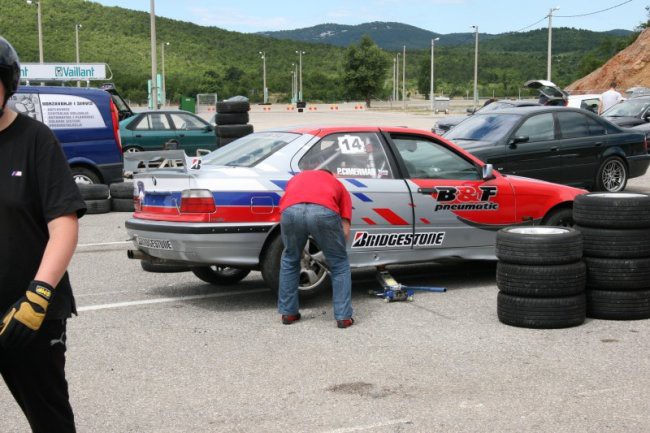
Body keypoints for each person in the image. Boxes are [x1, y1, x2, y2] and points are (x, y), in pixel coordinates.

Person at [0, 36, 85, 432]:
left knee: (50, 419)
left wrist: (38, 294)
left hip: (29, 311)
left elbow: (63, 222)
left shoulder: (35, 140)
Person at [277, 169, 354, 328]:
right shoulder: (336, 182)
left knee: (290, 260)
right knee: (339, 264)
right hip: (323, 211)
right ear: (330, 175)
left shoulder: (297, 178)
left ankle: (288, 313)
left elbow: (285, 201)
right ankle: (343, 317)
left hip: (291, 211)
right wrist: (338, 242)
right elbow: (345, 224)